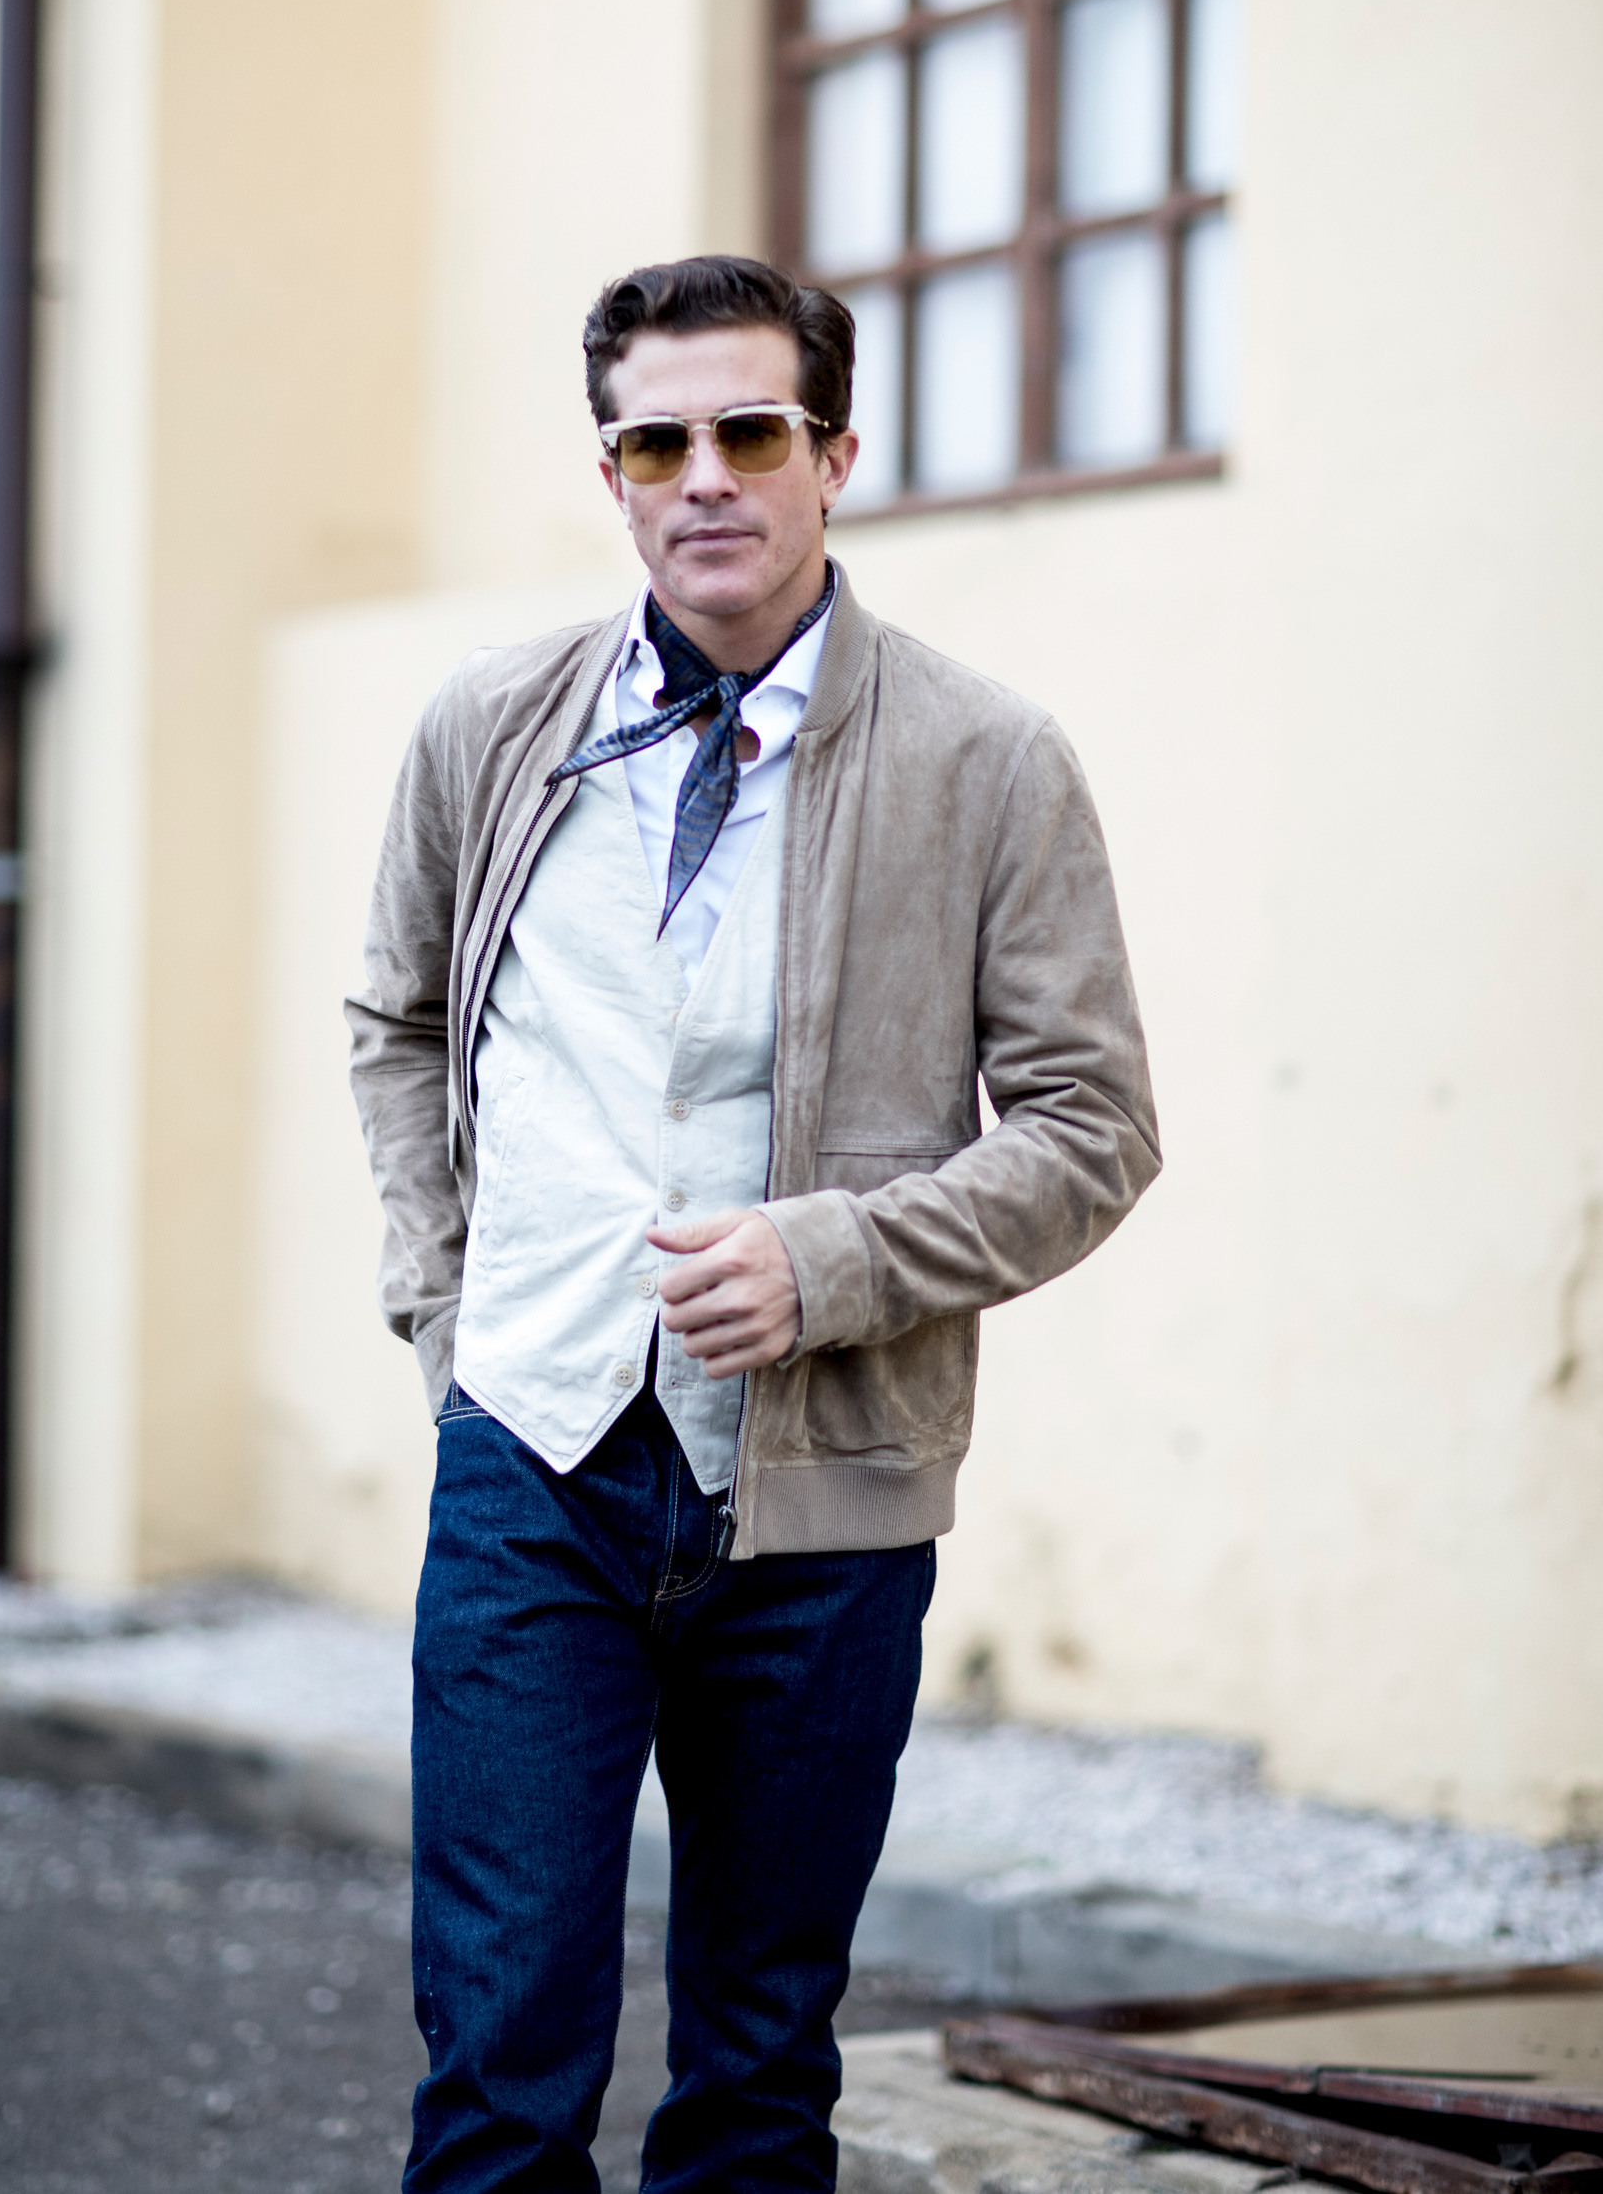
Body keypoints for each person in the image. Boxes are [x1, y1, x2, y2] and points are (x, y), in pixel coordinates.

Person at [347, 253, 1160, 2193]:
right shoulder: (490, 725)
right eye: (658, 443)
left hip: (827, 1500)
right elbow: (399, 1023)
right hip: (530, 1453)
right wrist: (450, 1314)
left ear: (835, 455)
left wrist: (831, 1263)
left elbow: (1094, 1126)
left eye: (750, 431)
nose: (704, 476)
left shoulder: (988, 760)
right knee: (498, 2064)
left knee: (760, 2067)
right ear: (613, 474)